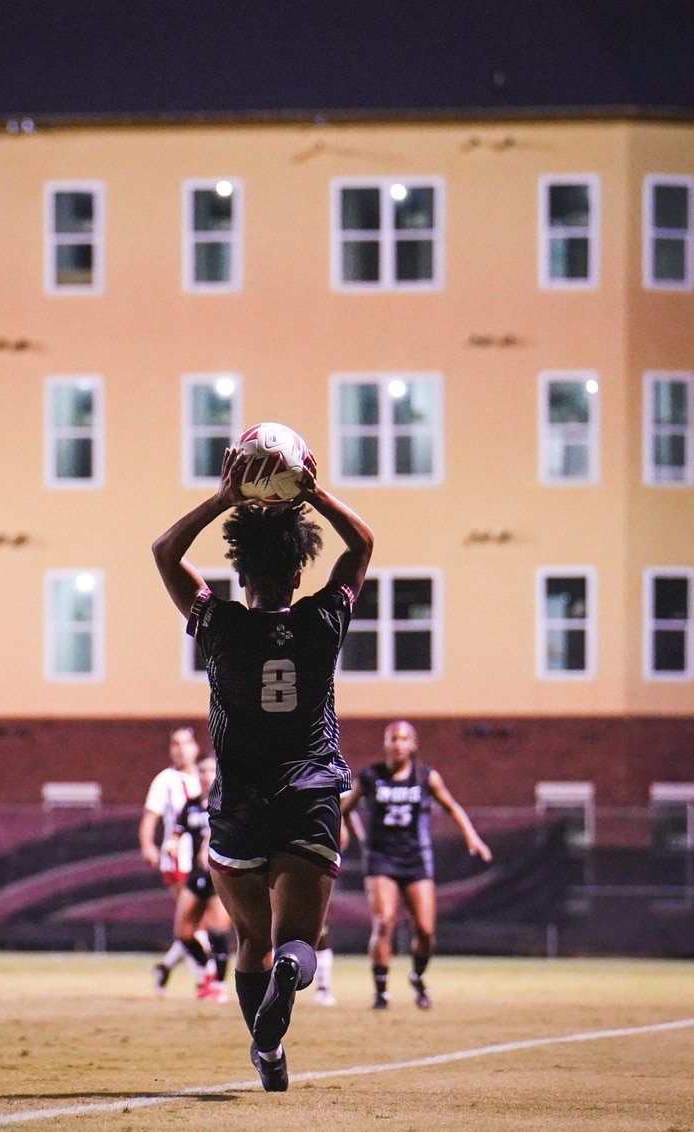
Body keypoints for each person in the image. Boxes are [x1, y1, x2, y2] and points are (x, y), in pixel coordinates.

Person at [152, 445, 373, 1091]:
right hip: (309, 793)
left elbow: (165, 552)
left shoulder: (218, 624)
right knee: (302, 940)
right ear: (299, 575)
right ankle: (290, 981)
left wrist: (225, 498)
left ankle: (269, 1056)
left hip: (239, 803)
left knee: (251, 942)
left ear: (240, 571)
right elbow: (361, 545)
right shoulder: (325, 619)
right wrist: (315, 493)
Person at [342, 720, 492, 1011]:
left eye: (404, 739)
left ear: (414, 745)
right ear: (385, 744)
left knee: (424, 929)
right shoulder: (371, 777)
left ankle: (417, 976)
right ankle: (381, 990)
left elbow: (452, 806)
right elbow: (344, 809)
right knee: (384, 921)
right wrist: (357, 835)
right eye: (393, 738)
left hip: (415, 859)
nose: (398, 744)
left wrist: (471, 836)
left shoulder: (426, 777)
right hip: (381, 859)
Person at [137, 726, 207, 994]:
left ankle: (166, 967)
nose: (180, 749)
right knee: (195, 922)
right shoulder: (165, 780)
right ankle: (206, 980)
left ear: (195, 747)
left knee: (199, 924)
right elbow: (150, 817)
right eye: (175, 744)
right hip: (179, 860)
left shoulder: (205, 776)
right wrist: (148, 845)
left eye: (185, 743)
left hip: (206, 861)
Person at [172, 753, 234, 1003]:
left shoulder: (228, 802)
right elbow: (178, 831)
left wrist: (211, 843)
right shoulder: (192, 804)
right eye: (202, 771)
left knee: (219, 932)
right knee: (183, 932)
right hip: (197, 874)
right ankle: (206, 969)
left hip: (221, 875)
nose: (206, 776)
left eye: (211, 771)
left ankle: (219, 985)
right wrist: (171, 844)